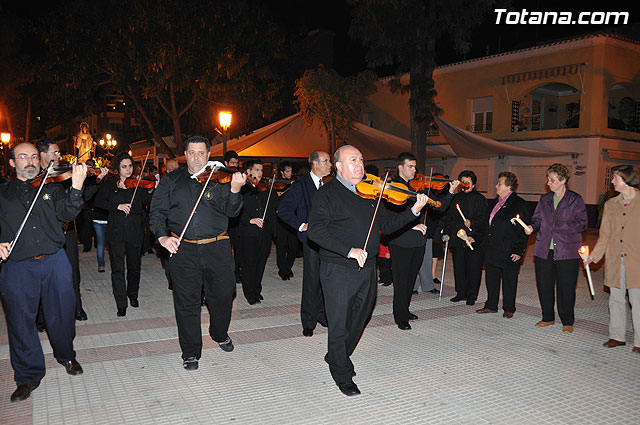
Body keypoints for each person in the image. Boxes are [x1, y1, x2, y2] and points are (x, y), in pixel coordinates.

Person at [307, 145, 428, 396]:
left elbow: (387, 225)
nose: (360, 164)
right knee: (338, 323)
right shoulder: (327, 194)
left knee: (360, 317)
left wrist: (413, 211)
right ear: (339, 166)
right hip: (338, 268)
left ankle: (336, 354)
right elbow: (316, 231)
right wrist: (348, 250)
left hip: (368, 267)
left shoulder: (370, 194)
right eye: (353, 160)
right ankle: (341, 371)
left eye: (361, 159)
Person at [0, 143, 87, 402]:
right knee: (19, 322)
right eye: (23, 157)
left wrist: (77, 186)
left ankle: (66, 356)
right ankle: (28, 376)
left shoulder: (51, 188)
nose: (30, 161)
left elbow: (69, 212)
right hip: (17, 265)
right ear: (12, 163)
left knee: (62, 314)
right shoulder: (3, 193)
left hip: (54, 261)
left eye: (34, 157)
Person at [150, 136, 246, 370]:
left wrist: (234, 189)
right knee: (186, 302)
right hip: (183, 249)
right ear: (185, 154)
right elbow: (156, 212)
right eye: (191, 153)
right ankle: (191, 351)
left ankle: (218, 331)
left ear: (208, 154)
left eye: (200, 153)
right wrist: (162, 236)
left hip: (218, 247)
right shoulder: (171, 180)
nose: (196, 158)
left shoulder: (220, 178)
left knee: (224, 296)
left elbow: (233, 212)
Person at [385, 153, 457, 330]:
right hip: (401, 241)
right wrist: (411, 226)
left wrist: (449, 193)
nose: (414, 170)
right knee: (401, 280)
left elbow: (438, 207)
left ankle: (405, 310)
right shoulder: (394, 188)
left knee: (410, 280)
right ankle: (399, 316)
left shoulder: (419, 187)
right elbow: (390, 218)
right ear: (400, 168)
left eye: (415, 166)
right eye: (410, 166)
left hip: (418, 242)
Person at [525, 163, 587, 333]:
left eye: (552, 179)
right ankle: (547, 317)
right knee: (544, 285)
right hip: (544, 249)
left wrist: (558, 226)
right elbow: (537, 219)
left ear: (563, 180)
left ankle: (567, 320)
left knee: (566, 287)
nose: (548, 182)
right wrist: (532, 227)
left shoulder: (575, 199)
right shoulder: (544, 199)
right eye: (548, 178)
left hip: (567, 251)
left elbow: (582, 224)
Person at [585, 165, 640, 351]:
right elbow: (605, 234)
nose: (612, 181)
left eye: (616, 178)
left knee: (637, 301)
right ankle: (617, 336)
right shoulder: (610, 205)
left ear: (627, 180)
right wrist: (593, 256)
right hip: (615, 259)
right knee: (615, 298)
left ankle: (639, 341)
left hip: (637, 260)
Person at [278, 151, 332, 336]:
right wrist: (300, 225)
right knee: (311, 281)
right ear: (315, 164)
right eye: (326, 161)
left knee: (326, 279)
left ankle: (323, 314)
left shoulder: (330, 184)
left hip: (330, 240)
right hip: (311, 241)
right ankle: (308, 321)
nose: (330, 164)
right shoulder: (301, 185)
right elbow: (283, 209)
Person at [94, 152, 153, 317]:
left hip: (135, 229)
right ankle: (121, 303)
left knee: (134, 267)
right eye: (124, 166)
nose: (128, 170)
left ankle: (132, 295)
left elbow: (149, 204)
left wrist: (151, 190)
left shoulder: (138, 184)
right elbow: (98, 202)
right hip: (116, 230)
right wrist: (117, 206)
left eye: (130, 166)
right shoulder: (110, 184)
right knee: (117, 269)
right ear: (117, 168)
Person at [476, 172, 530, 318]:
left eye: (499, 183)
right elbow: (486, 225)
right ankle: (491, 305)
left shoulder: (519, 204)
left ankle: (509, 307)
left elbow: (524, 230)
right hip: (492, 248)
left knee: (509, 280)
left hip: (509, 249)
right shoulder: (494, 203)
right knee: (491, 278)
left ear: (508, 186)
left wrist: (519, 251)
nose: (496, 186)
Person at [440, 170, 488, 305]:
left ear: (473, 184)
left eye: (468, 182)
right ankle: (460, 293)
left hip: (473, 239)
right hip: (457, 239)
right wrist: (447, 232)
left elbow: (484, 219)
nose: (465, 185)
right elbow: (449, 218)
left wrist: (472, 222)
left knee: (473, 268)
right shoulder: (456, 198)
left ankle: (472, 295)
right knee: (459, 268)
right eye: (463, 182)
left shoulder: (480, 199)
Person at [239, 159, 276, 304]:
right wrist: (250, 220)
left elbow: (271, 208)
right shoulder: (241, 188)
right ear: (248, 171)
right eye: (257, 170)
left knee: (261, 262)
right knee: (249, 264)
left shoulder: (264, 188)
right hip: (248, 232)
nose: (260, 173)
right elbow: (235, 209)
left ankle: (256, 289)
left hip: (264, 232)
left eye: (261, 170)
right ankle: (250, 293)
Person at [274, 161, 299, 280]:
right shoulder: (277, 183)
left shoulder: (294, 183)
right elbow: (278, 198)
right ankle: (283, 269)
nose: (289, 174)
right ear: (282, 172)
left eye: (290, 171)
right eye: (287, 171)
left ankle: (287, 267)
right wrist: (288, 188)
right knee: (281, 246)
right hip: (280, 219)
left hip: (292, 218)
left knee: (293, 246)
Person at [224, 150, 242, 283]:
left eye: (236, 163)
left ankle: (236, 271)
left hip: (237, 219)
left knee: (238, 248)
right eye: (232, 163)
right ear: (226, 163)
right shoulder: (220, 176)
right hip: (224, 220)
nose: (235, 166)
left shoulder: (239, 176)